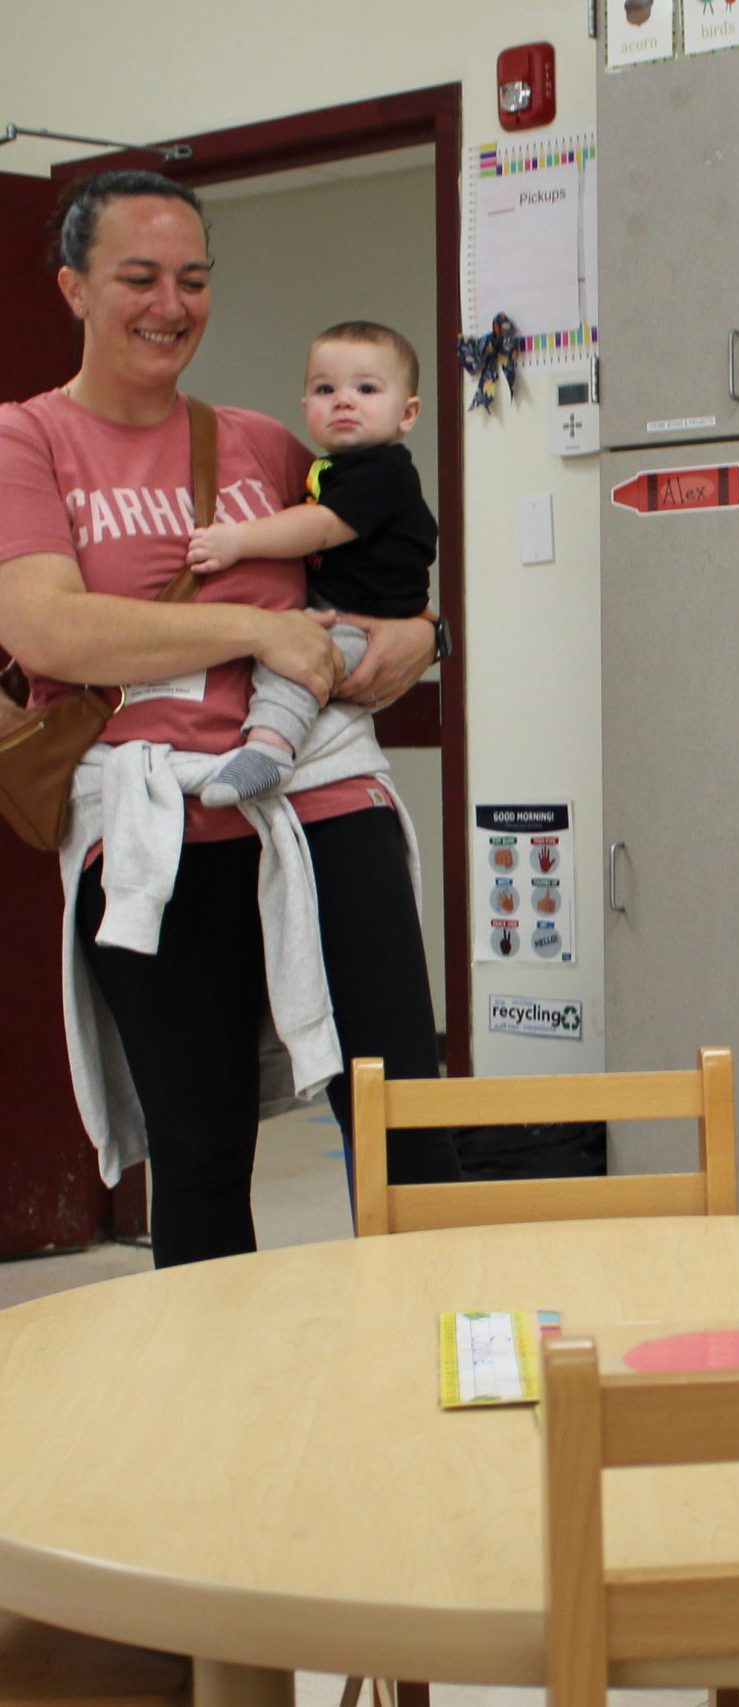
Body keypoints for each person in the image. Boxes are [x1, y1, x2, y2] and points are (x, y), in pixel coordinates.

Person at [0, 169, 458, 1267]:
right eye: (140, 277)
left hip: (322, 798)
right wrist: (251, 635)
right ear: (73, 286)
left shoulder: (258, 440)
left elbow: (378, 573)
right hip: (157, 820)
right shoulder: (29, 440)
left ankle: (427, 1375)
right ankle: (221, 1416)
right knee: (200, 1149)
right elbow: (50, 633)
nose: (171, 305)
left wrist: (430, 638)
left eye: (194, 279)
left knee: (403, 1119)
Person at [185, 320, 437, 807]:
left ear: (407, 414)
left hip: (367, 622)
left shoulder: (383, 472)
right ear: (305, 407)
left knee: (298, 661)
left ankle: (270, 750)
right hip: (342, 607)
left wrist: (238, 541)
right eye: (325, 388)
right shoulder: (332, 467)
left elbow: (320, 527)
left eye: (366, 388)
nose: (343, 399)